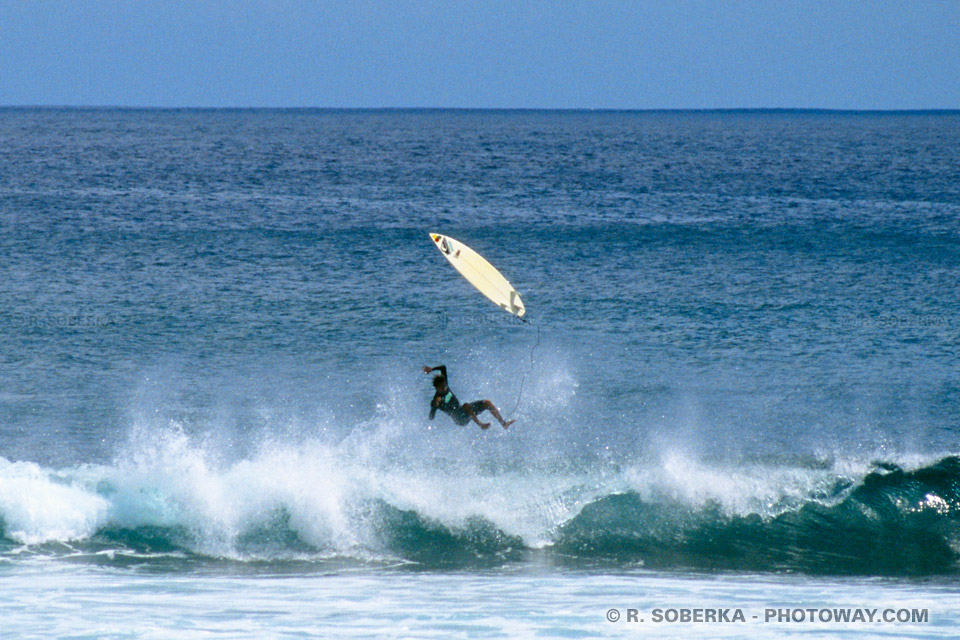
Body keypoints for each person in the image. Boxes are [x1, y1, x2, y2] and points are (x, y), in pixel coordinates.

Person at [423, 365, 514, 430]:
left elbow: (443, 367)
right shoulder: (436, 400)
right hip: (459, 419)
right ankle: (481, 425)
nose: (444, 388)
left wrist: (432, 369)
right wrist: (435, 405)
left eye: (445, 385)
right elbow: (431, 417)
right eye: (442, 387)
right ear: (436, 388)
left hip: (464, 411)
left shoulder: (445, 385)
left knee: (486, 402)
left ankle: (504, 424)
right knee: (466, 406)